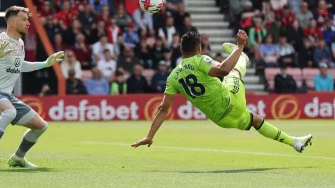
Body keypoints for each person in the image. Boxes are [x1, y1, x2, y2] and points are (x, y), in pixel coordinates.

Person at [131, 31, 313, 154]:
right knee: (233, 71)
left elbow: (163, 109)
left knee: (256, 120)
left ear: (181, 50)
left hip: (221, 120)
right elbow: (224, 69)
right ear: (199, 48)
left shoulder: (172, 78)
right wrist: (241, 45)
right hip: (231, 100)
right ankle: (241, 55)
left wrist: (150, 136)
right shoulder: (199, 60)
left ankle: (294, 142)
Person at [0, 6, 65, 171]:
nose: (28, 23)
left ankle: (18, 158)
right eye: (24, 20)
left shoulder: (20, 43)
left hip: (7, 96)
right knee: (10, 112)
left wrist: (45, 64)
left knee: (41, 126)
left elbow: (20, 66)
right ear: (13, 23)